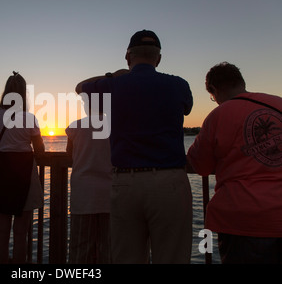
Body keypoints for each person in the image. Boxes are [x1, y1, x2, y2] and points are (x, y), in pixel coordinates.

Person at [75, 29, 193, 264]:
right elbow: (187, 108)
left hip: (126, 182)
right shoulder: (179, 85)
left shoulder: (113, 85)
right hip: (170, 182)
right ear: (158, 58)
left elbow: (80, 87)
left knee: (126, 258)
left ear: (127, 58)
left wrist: (113, 75)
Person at [187, 62, 282, 264]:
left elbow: (200, 166)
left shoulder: (219, 116)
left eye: (212, 97)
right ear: (241, 82)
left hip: (244, 222)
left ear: (213, 90)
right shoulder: (278, 103)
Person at [0, 72, 44, 264]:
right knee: (21, 232)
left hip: (1, 175)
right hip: (24, 176)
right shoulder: (29, 118)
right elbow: (40, 150)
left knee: (1, 231)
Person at [65, 94, 112, 264]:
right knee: (108, 248)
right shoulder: (115, 126)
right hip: (110, 193)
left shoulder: (76, 127)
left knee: (80, 248)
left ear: (87, 107)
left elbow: (69, 156)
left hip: (83, 195)